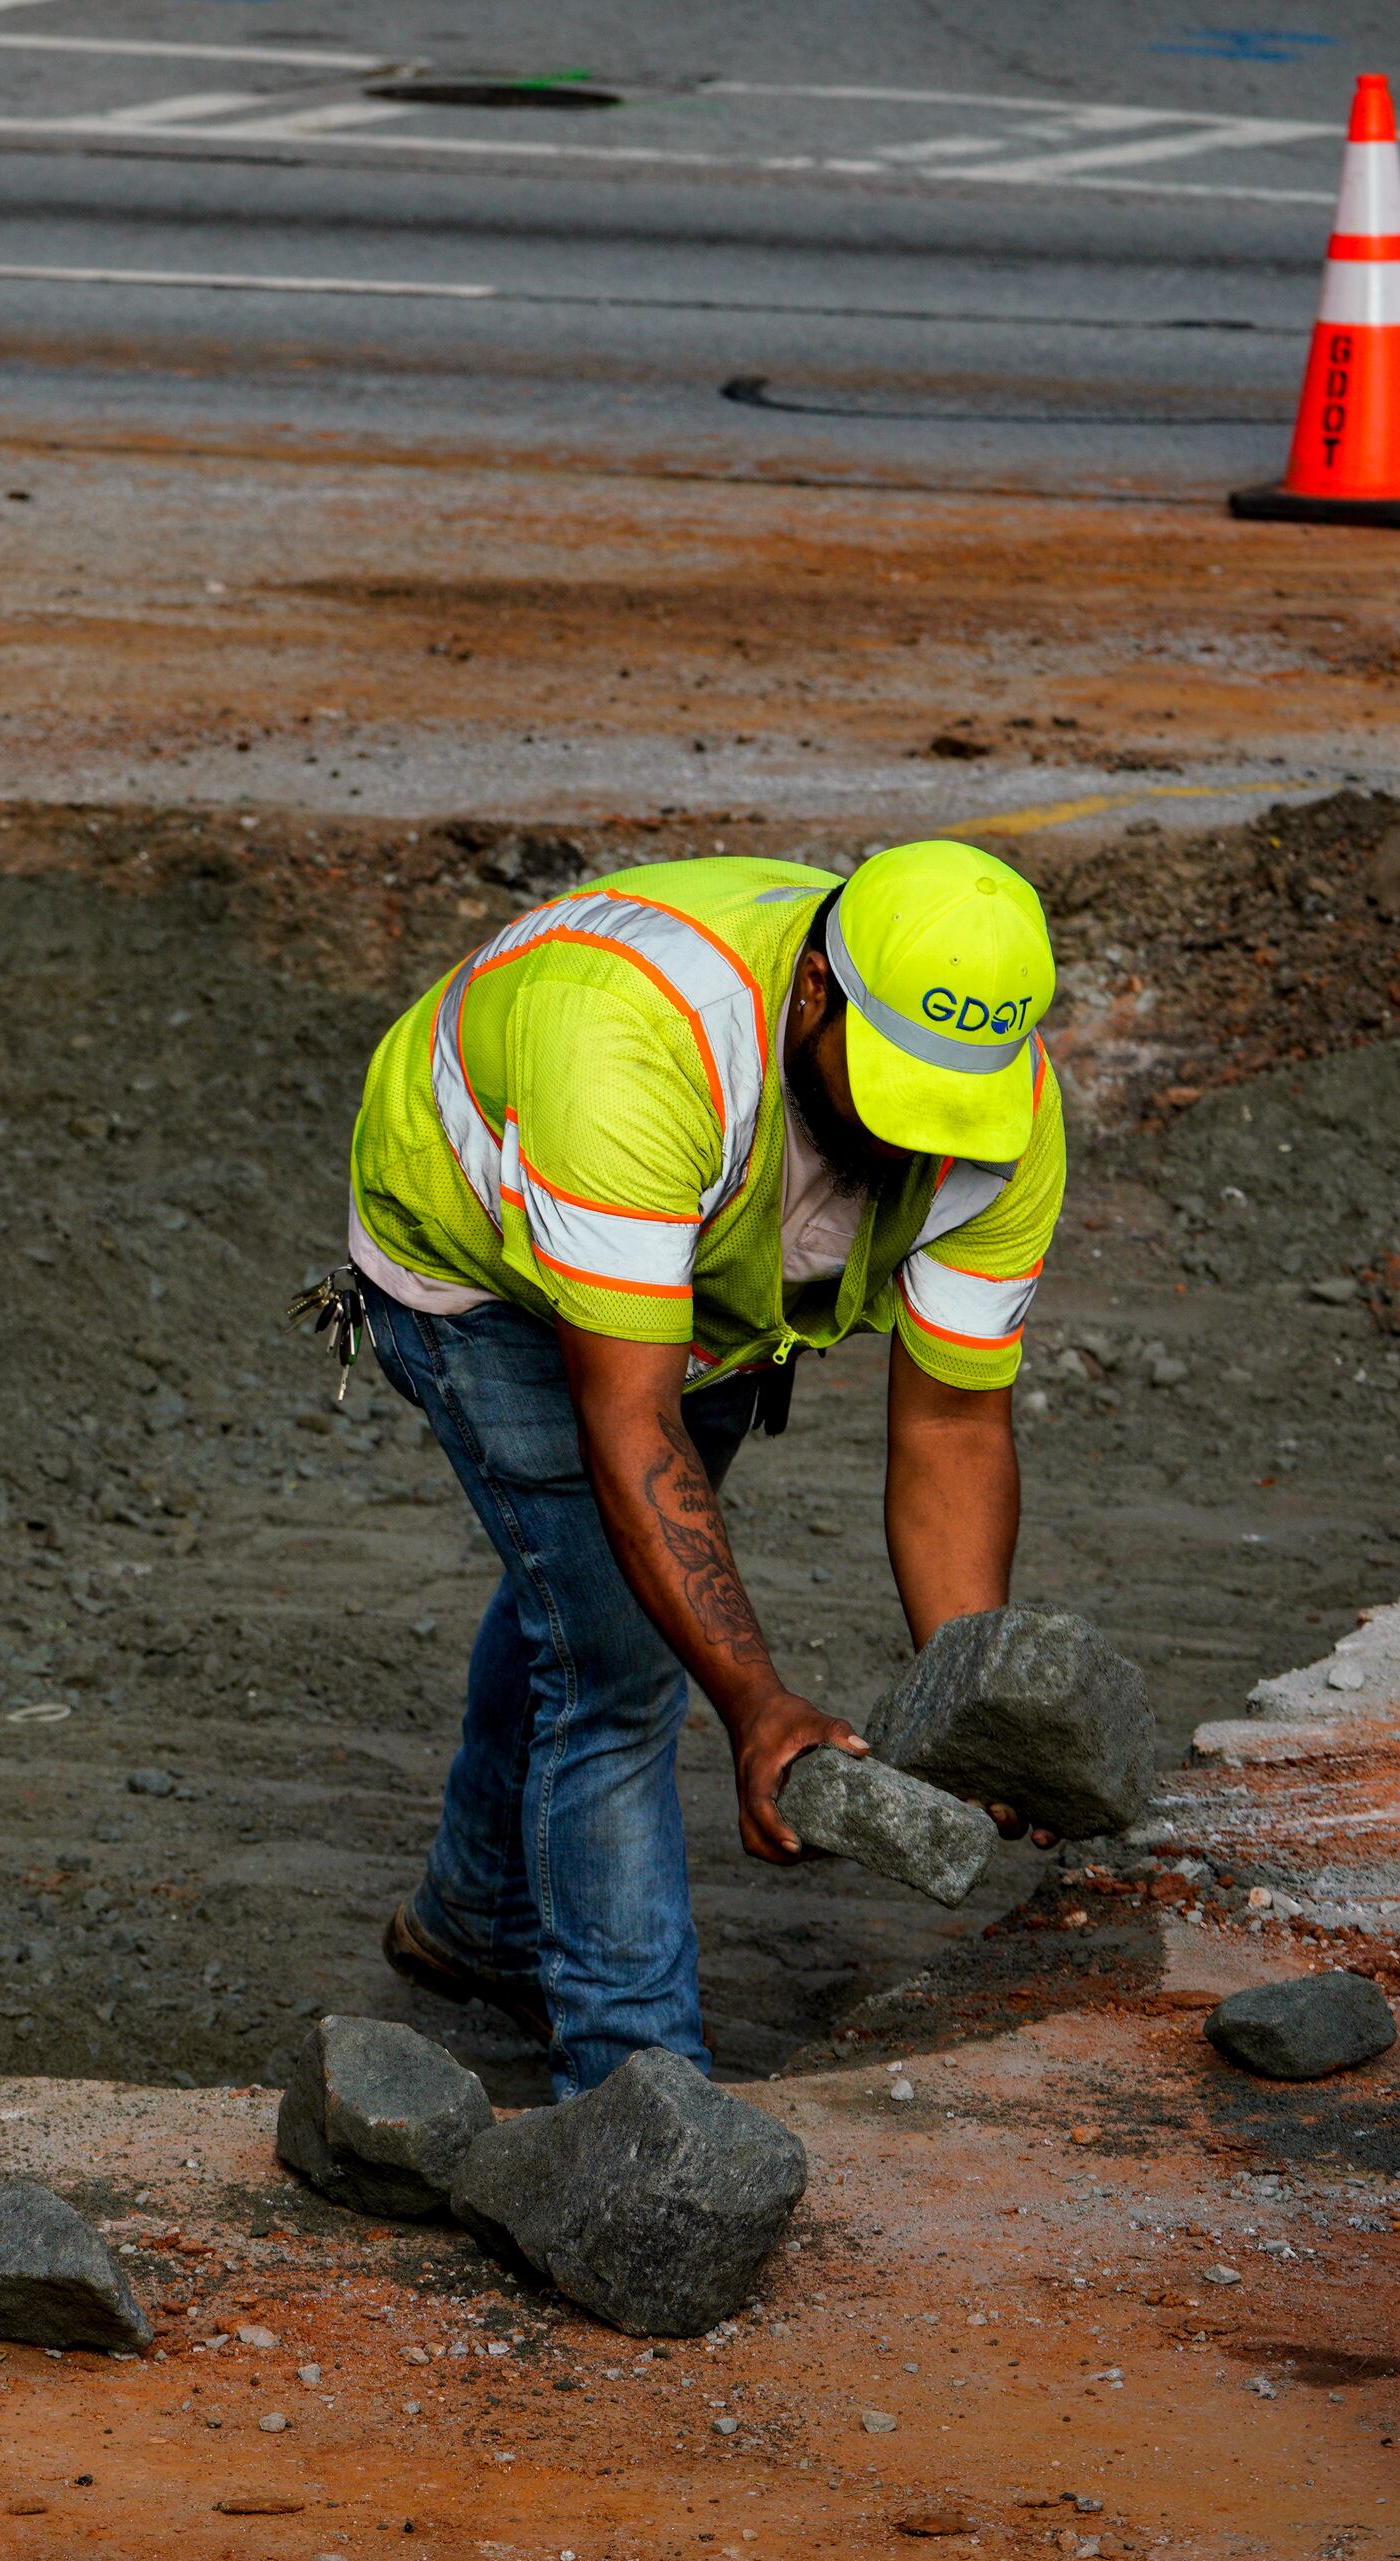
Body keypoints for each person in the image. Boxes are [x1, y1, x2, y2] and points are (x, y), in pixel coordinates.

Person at [330, 838, 1064, 2096]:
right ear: (819, 992)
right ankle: (638, 2098)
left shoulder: (1007, 1108)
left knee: (580, 1589)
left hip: (708, 1289)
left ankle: (475, 1920)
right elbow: (632, 1423)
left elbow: (951, 1428)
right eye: (899, 1096)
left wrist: (974, 1706)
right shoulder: (636, 1040)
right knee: (618, 1664)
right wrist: (758, 1706)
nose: (925, 1143)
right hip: (474, 1257)